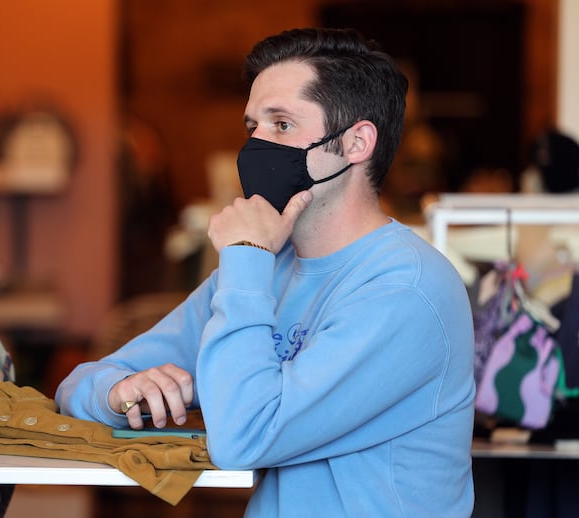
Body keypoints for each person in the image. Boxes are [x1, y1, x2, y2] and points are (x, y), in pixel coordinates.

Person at [56, 27, 475, 517]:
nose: (256, 146)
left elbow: (244, 437)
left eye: (281, 125)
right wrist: (117, 394)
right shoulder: (264, 270)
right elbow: (76, 386)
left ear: (356, 142)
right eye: (252, 126)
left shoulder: (407, 291)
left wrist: (247, 255)